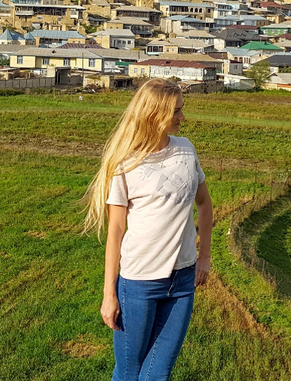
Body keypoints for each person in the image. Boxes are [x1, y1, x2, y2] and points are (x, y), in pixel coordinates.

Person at [83, 79, 213, 381]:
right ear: (155, 115)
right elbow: (115, 230)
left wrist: (204, 258)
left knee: (158, 374)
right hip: (139, 282)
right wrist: (109, 294)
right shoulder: (126, 163)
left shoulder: (186, 150)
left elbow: (205, 205)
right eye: (176, 112)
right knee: (129, 372)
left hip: (182, 282)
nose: (183, 118)